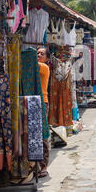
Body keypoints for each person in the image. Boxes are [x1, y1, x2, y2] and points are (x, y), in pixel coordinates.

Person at [37, 47, 51, 178]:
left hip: (43, 102)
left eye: (42, 53)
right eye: (37, 53)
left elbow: (32, 63)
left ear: (47, 58)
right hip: (32, 101)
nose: (39, 55)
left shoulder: (44, 67)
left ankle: (44, 165)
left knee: (42, 134)